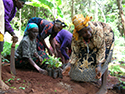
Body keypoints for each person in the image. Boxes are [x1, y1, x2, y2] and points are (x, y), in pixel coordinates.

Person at [62, 14, 114, 94]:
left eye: (88, 30)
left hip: (106, 38)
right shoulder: (76, 37)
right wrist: (69, 65)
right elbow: (75, 51)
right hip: (91, 42)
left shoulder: (97, 31)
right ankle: (91, 79)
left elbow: (101, 50)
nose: (88, 33)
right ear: (79, 33)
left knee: (104, 60)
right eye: (84, 33)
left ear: (89, 26)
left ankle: (103, 87)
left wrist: (99, 65)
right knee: (81, 64)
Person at [0, 0, 25, 90]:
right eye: (22, 3)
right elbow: (4, 19)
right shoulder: (9, 2)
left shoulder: (14, 8)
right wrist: (12, 33)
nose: (22, 6)